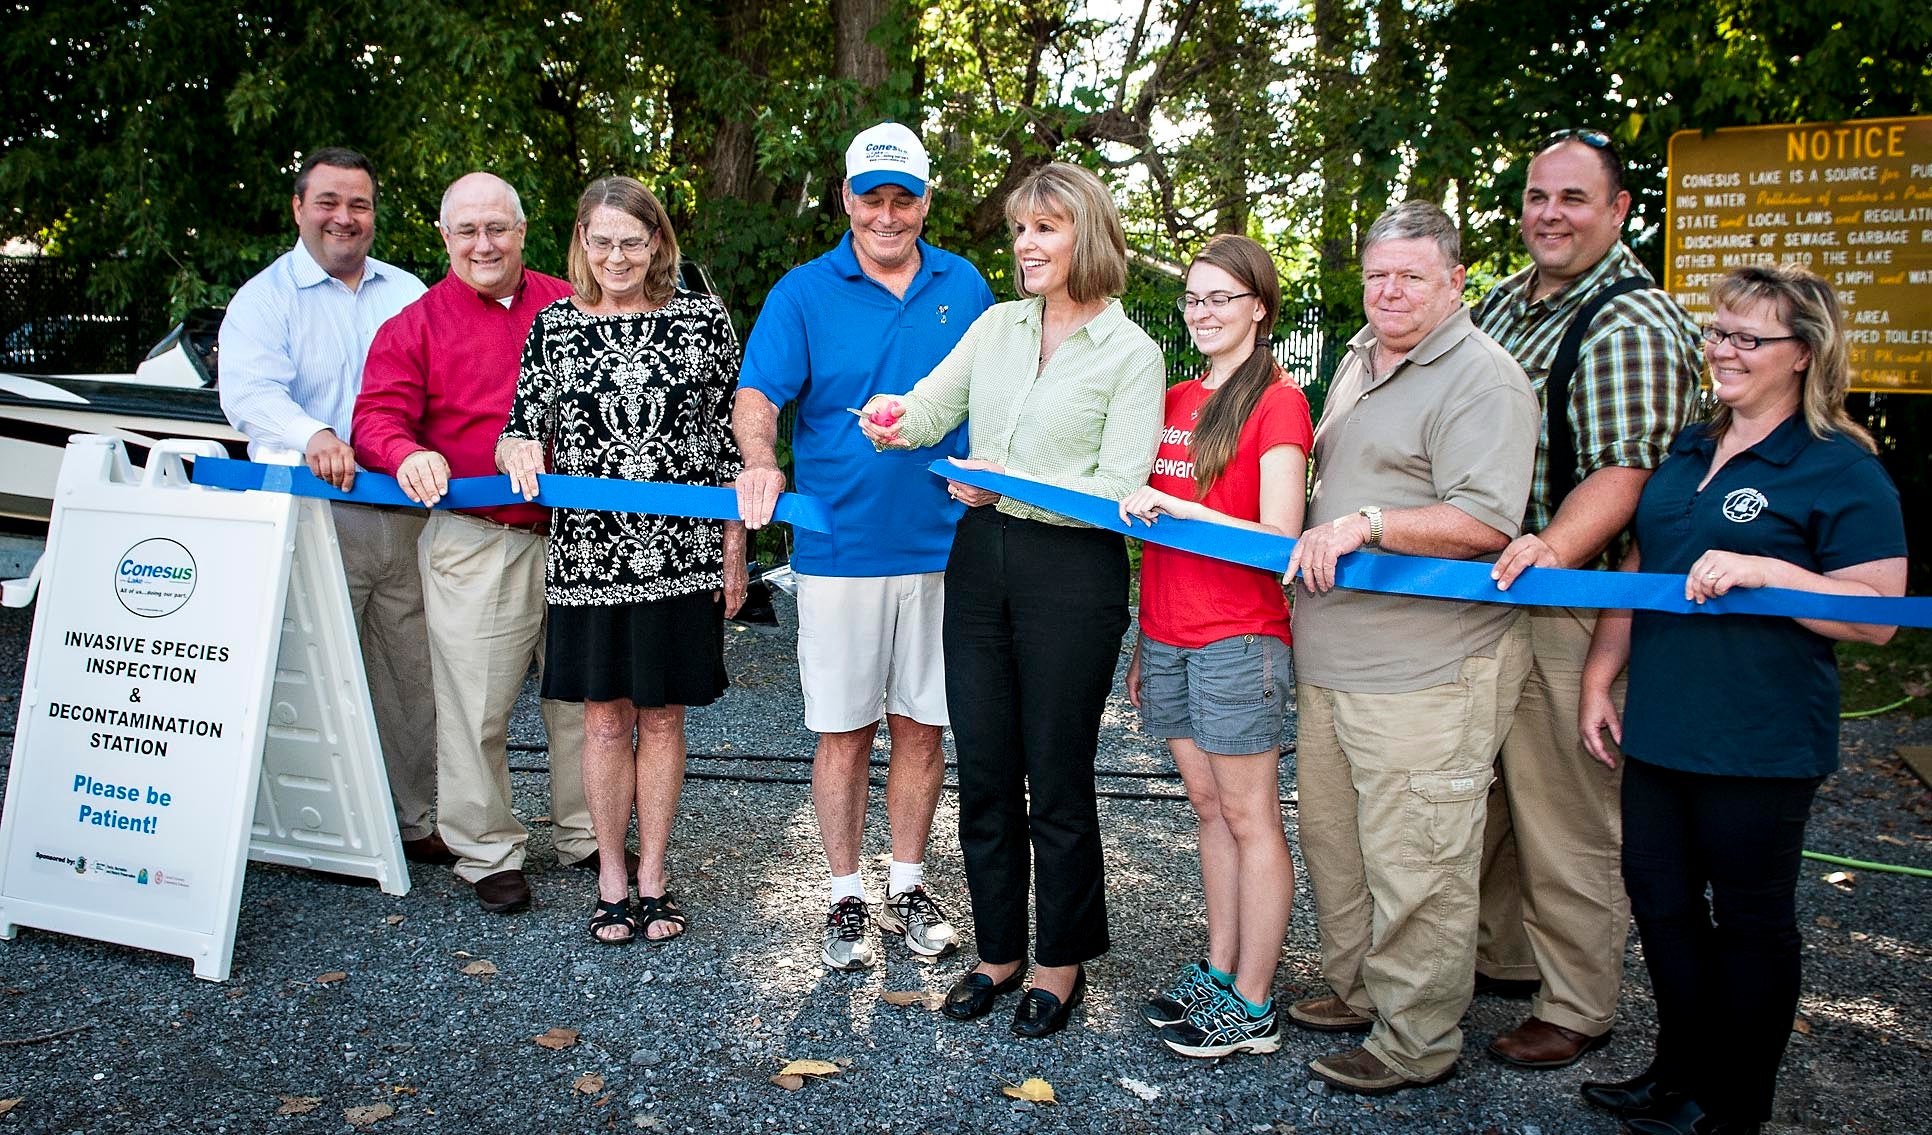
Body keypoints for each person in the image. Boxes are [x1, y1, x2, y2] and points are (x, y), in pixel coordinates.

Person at [1577, 265, 1906, 1135]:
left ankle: (1737, 1107)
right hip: (1664, 724)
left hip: (1760, 738)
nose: (1723, 350)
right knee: (1661, 903)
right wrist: (1598, 676)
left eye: (1747, 338)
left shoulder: (1841, 466)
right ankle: (1679, 1072)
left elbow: (1877, 616)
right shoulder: (1688, 447)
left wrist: (1769, 569)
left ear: (1803, 354)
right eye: (1717, 332)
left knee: (1752, 922)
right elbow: (1642, 569)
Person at [861, 161, 1164, 1039]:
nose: (1025, 245)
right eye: (1021, 230)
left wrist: (1004, 485)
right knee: (987, 768)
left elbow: (1117, 490)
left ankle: (1059, 961)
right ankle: (997, 952)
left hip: (1073, 573)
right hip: (981, 562)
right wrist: (890, 417)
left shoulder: (1131, 351)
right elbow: (927, 410)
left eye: (1045, 229)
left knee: (1056, 777)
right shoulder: (995, 327)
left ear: (1087, 238)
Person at [1284, 200, 1539, 1094]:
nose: (1389, 291)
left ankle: (1415, 1038)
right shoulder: (1360, 354)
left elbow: (1482, 520)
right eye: (1376, 274)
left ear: (1456, 280)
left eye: (1411, 276)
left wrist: (1370, 522)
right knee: (1339, 845)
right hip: (1333, 660)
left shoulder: (1484, 378)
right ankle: (1358, 990)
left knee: (1418, 859)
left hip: (1426, 670)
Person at [734, 122, 995, 970]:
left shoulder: (967, 284)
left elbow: (997, 398)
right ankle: (845, 893)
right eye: (872, 197)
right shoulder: (803, 292)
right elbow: (758, 395)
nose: (888, 215)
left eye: (904, 198)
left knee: (923, 727)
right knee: (843, 730)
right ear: (847, 198)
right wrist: (762, 460)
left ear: (926, 200)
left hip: (946, 545)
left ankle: (908, 881)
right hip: (840, 547)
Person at [1473, 129, 1702, 1068]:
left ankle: (1579, 1002)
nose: (1550, 214)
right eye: (1537, 196)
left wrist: (1548, 551)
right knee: (1485, 790)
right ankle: (1504, 955)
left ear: (1617, 211)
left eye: (1573, 199)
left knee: (1565, 803)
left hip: (1569, 592)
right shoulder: (1502, 301)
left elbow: (1628, 473)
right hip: (1482, 585)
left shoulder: (1630, 319)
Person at [496, 177, 747, 945]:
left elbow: (739, 443)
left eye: (632, 241)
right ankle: (610, 876)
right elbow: (519, 426)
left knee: (665, 716)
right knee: (603, 720)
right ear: (580, 243)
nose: (617, 256)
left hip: (685, 555)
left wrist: (738, 549)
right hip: (590, 558)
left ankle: (655, 875)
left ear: (658, 243)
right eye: (600, 241)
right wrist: (516, 445)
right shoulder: (555, 327)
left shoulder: (703, 322)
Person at [352, 172, 598, 915]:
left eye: (498, 228)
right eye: (468, 231)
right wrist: (404, 453)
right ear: (444, 237)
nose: (484, 243)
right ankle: (486, 848)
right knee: (475, 707)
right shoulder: (416, 324)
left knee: (586, 699)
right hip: (478, 539)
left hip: (582, 536)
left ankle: (588, 833)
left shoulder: (573, 304)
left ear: (523, 231)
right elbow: (374, 419)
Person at [217, 147, 442, 865]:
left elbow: (438, 392)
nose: (344, 218)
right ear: (299, 208)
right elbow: (248, 394)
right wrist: (312, 433)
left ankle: (415, 818)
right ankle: (302, 826)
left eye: (359, 204)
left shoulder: (408, 292)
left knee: (412, 671)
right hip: (308, 518)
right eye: (328, 202)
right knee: (304, 669)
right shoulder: (266, 297)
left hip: (403, 515)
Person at [1115, 234, 1311, 1059]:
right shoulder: (1173, 397)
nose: (1202, 312)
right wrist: (1139, 639)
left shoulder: (1279, 401)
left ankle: (1256, 1002)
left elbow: (1280, 537)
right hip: (1164, 629)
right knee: (1207, 810)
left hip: (1239, 636)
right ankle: (1222, 968)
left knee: (1249, 814)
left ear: (1259, 308)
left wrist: (1197, 517)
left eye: (1220, 298)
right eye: (1193, 298)